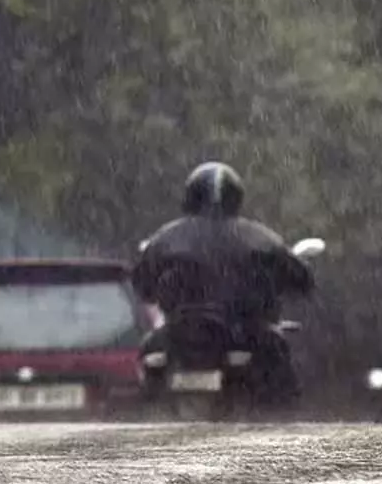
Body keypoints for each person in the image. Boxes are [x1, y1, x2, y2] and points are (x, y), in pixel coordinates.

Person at [132, 161, 313, 407]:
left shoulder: (166, 238)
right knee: (280, 362)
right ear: (236, 197)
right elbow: (300, 279)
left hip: (181, 334)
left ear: (191, 196)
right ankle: (280, 419)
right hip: (244, 332)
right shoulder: (258, 237)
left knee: (148, 354)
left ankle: (147, 407)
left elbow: (142, 284)